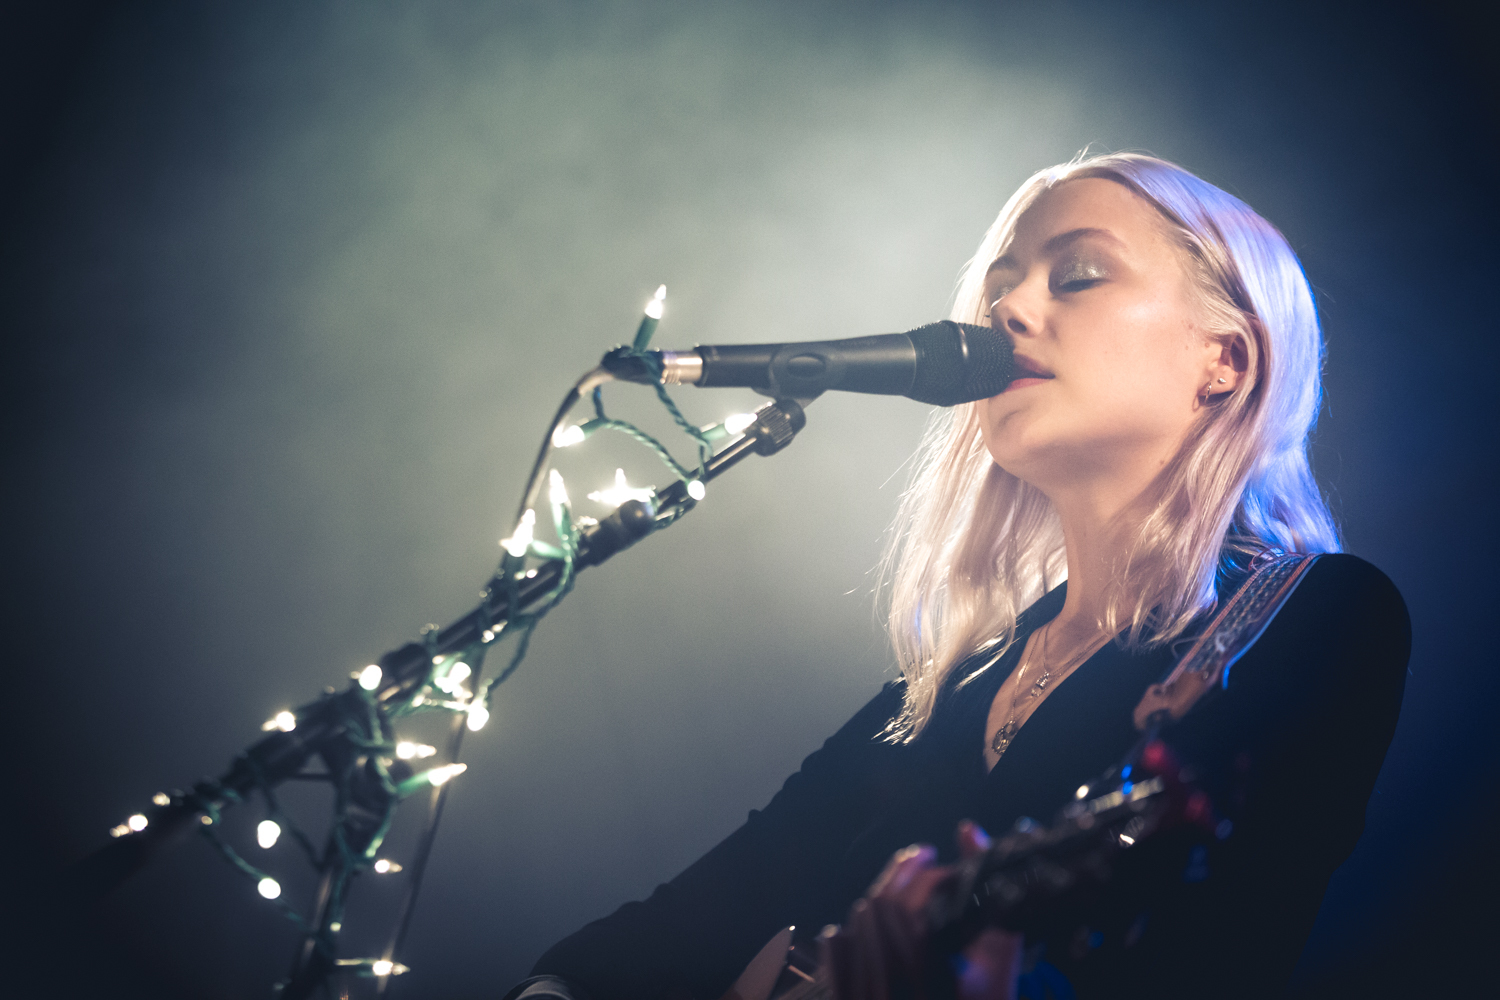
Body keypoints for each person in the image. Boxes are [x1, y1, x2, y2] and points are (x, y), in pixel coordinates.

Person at [502, 153, 1409, 1000]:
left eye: (1078, 274)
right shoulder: (952, 682)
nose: (1008, 309)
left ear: (1226, 360)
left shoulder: (1317, 620)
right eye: (1000, 284)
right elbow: (689, 917)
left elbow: (1216, 956)